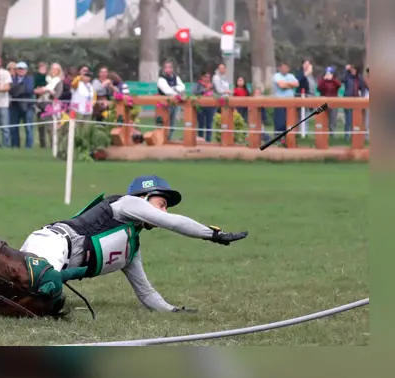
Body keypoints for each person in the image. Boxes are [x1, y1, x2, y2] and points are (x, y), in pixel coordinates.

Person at [14, 175, 247, 312]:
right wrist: (213, 235)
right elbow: (171, 222)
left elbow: (145, 292)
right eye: (161, 203)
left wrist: (173, 311)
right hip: (50, 243)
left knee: (38, 303)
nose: (164, 210)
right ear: (143, 197)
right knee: (33, 292)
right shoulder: (128, 203)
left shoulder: (130, 248)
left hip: (56, 259)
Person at [156, 60, 186, 141]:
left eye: (170, 67)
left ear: (172, 68)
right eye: (166, 67)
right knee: (162, 123)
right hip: (164, 105)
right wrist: (176, 91)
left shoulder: (176, 77)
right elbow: (167, 91)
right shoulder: (161, 79)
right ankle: (161, 140)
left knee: (173, 124)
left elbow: (182, 86)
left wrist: (175, 89)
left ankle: (168, 139)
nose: (168, 69)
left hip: (174, 104)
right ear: (163, 69)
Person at [35, 62, 63, 148]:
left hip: (51, 106)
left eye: (56, 69)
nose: (54, 71)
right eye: (53, 69)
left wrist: (49, 91)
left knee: (51, 128)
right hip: (40, 104)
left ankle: (54, 146)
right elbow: (37, 89)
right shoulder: (46, 79)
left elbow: (58, 95)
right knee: (41, 127)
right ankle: (42, 146)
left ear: (59, 71)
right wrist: (41, 90)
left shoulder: (58, 81)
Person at [8, 61, 35, 148]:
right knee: (14, 127)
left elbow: (29, 90)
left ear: (26, 70)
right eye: (19, 69)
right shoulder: (12, 79)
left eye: (22, 69)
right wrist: (20, 89)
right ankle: (15, 145)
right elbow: (11, 90)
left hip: (27, 106)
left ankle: (28, 147)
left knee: (28, 127)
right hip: (15, 106)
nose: (21, 71)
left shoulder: (30, 79)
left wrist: (17, 90)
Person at [271, 62, 299, 136]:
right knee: (280, 121)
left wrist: (286, 84)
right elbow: (281, 86)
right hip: (280, 102)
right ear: (280, 68)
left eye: (286, 68)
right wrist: (291, 85)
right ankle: (278, 137)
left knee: (290, 120)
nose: (284, 69)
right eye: (283, 68)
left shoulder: (291, 75)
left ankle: (289, 136)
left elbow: (297, 84)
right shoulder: (276, 76)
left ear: (288, 69)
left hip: (290, 102)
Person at [341, 64, 367, 141]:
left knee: (356, 120)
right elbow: (342, 79)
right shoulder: (347, 77)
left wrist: (362, 97)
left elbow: (363, 88)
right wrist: (345, 70)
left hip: (357, 101)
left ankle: (355, 136)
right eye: (352, 70)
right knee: (348, 119)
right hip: (348, 100)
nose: (353, 71)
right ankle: (347, 136)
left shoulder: (359, 78)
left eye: (354, 70)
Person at [192, 71, 217, 142]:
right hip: (201, 107)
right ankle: (201, 140)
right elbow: (195, 93)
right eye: (206, 77)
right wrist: (205, 90)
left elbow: (216, 93)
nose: (207, 78)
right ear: (202, 77)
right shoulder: (198, 84)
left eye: (209, 77)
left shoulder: (212, 85)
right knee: (201, 124)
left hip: (211, 106)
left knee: (209, 124)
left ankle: (208, 141)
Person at [317, 66, 343, 134]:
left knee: (333, 119)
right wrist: (324, 79)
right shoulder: (322, 81)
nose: (328, 74)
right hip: (324, 102)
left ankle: (332, 133)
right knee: (323, 118)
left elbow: (339, 85)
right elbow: (319, 87)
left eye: (330, 73)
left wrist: (332, 79)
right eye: (327, 73)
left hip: (333, 102)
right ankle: (323, 133)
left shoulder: (335, 80)